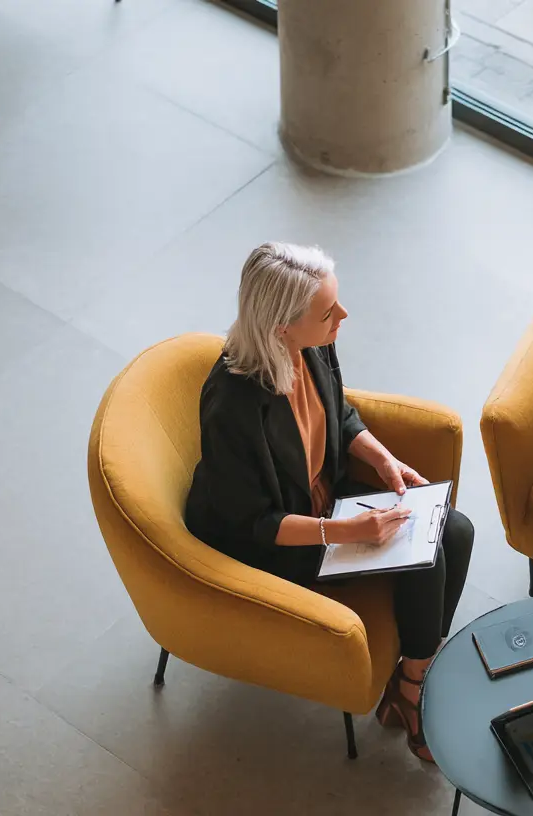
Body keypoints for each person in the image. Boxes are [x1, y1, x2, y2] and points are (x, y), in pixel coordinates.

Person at [184, 242, 474, 764]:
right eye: (328, 312)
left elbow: (339, 412)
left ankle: (416, 668)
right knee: (425, 558)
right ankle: (409, 694)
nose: (343, 316)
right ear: (281, 328)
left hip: (320, 501)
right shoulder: (231, 405)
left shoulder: (312, 345)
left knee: (457, 531)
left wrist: (381, 457)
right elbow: (253, 523)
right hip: (273, 540)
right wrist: (349, 533)